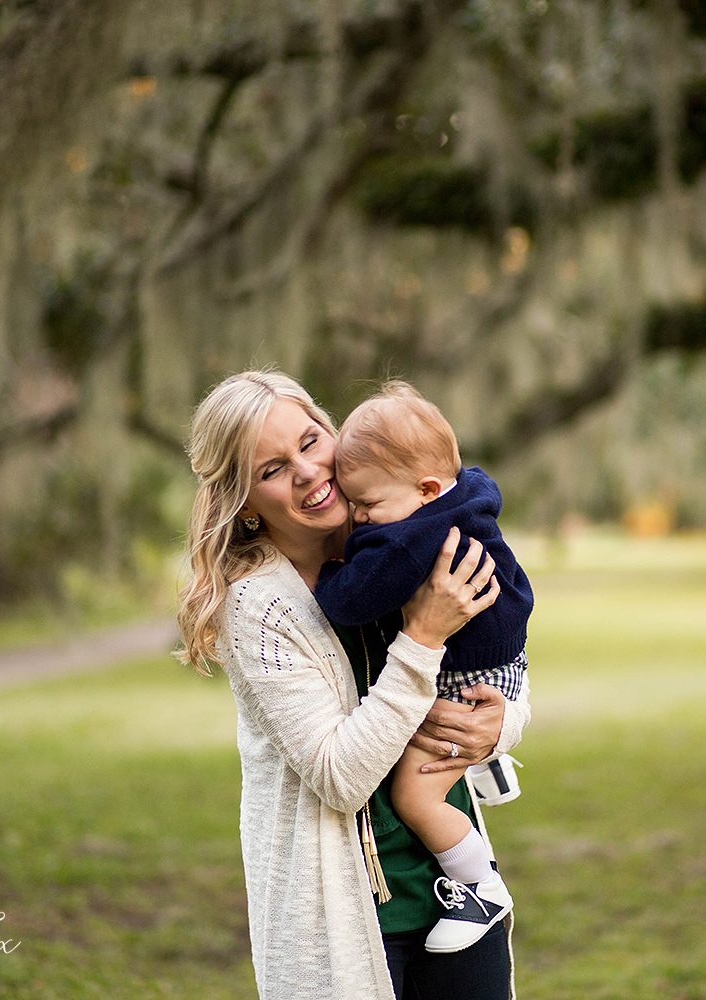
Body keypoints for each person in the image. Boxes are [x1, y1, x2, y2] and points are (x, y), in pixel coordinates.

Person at [176, 370, 530, 1000]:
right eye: (272, 469)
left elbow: (496, 654)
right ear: (243, 501)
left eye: (310, 441)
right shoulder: (259, 607)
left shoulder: (399, 532)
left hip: (456, 890)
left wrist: (500, 723)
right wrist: (422, 636)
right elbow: (340, 776)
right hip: (342, 913)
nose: (307, 471)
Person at [314, 381, 533, 954]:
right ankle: (486, 766)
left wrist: (329, 576)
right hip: (497, 663)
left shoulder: (412, 539)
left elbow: (354, 600)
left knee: (416, 797)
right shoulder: (464, 497)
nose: (359, 518)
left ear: (427, 488)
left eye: (368, 504)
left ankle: (480, 887)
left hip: (469, 679)